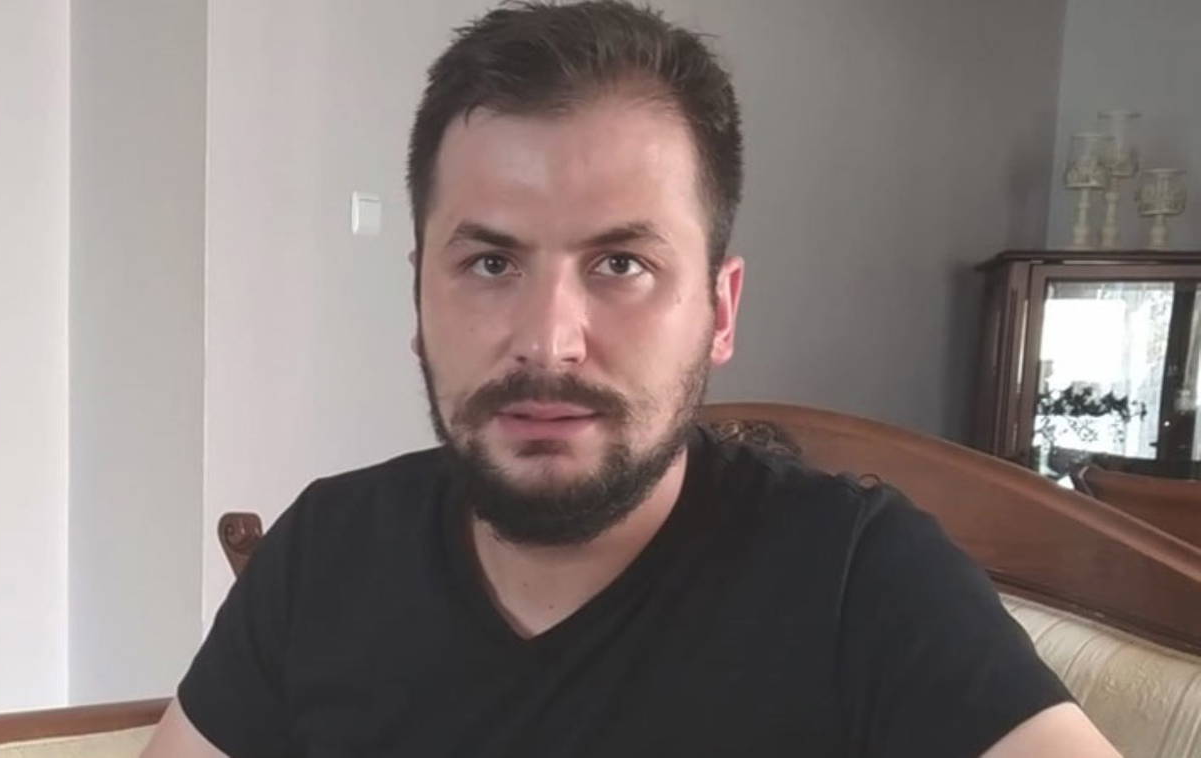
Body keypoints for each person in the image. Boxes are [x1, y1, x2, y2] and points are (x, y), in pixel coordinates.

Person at [144, 2, 1121, 755]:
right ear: (417, 299)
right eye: (490, 262)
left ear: (720, 311)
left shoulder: (860, 581)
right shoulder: (325, 551)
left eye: (620, 263)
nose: (548, 341)